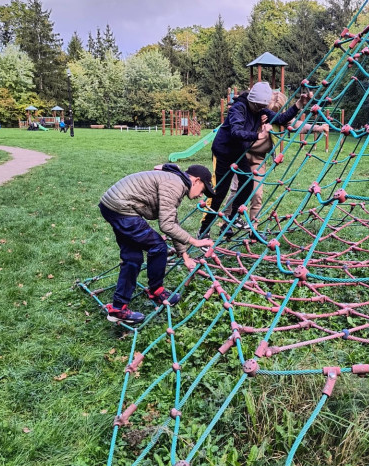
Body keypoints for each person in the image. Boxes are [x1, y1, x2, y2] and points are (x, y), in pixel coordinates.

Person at [99, 163, 215, 325]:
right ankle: (156, 290)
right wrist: (194, 241)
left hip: (113, 206)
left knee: (133, 257)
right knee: (158, 247)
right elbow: (166, 226)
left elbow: (172, 222)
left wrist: (184, 255)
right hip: (123, 209)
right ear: (196, 181)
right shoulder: (175, 184)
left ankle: (118, 308)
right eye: (203, 190)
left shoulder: (175, 182)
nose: (200, 195)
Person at [198, 81, 312, 237]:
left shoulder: (261, 109)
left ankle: (232, 219)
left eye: (262, 106)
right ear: (252, 100)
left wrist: (299, 104)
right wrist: (259, 135)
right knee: (219, 193)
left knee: (248, 183)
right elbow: (236, 132)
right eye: (257, 106)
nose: (260, 109)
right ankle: (204, 230)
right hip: (223, 152)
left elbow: (280, 118)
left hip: (238, 152)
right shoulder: (239, 108)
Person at [228, 91, 329, 225]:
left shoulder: (280, 119)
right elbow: (238, 127)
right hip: (242, 156)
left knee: (257, 194)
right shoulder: (254, 114)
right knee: (236, 190)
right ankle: (228, 220)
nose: (270, 115)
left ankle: (254, 228)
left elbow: (299, 125)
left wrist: (319, 128)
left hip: (259, 159)